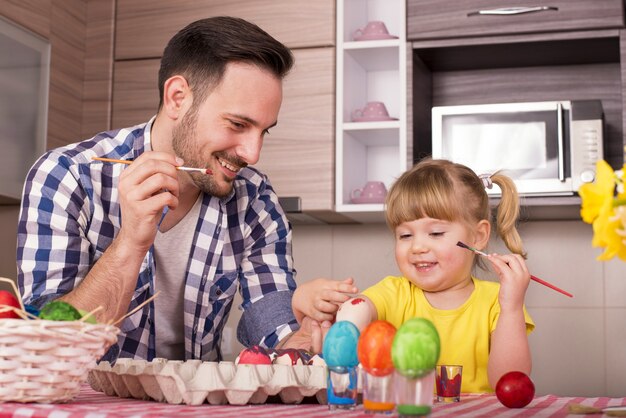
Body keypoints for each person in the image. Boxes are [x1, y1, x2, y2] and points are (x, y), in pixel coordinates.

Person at [17, 16, 327, 362]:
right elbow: (46, 348)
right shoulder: (67, 176)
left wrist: (301, 340)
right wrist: (131, 242)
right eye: (238, 124)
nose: (252, 154)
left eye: (263, 131)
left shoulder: (254, 199)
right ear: (177, 97)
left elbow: (272, 319)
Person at [294, 158, 535, 393]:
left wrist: (512, 307)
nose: (417, 247)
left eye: (436, 233)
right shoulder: (393, 292)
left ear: (478, 236)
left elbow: (508, 382)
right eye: (405, 236)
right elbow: (360, 308)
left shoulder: (499, 301)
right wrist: (346, 328)